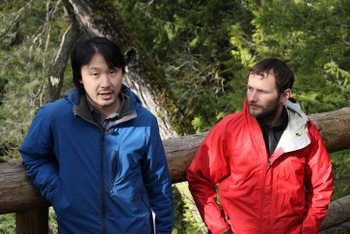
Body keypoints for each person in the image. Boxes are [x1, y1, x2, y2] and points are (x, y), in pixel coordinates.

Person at [19, 36, 174, 233]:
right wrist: (59, 192)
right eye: (95, 74)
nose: (106, 83)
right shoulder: (54, 116)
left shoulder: (143, 121)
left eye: (112, 71)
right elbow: (33, 156)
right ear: (80, 77)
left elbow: (159, 185)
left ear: (122, 72)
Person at [186, 58, 333, 234]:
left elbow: (321, 185)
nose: (252, 98)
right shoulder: (229, 129)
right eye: (250, 88)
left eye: (262, 91)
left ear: (284, 95)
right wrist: (220, 229)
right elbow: (199, 178)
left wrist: (306, 230)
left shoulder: (304, 132)